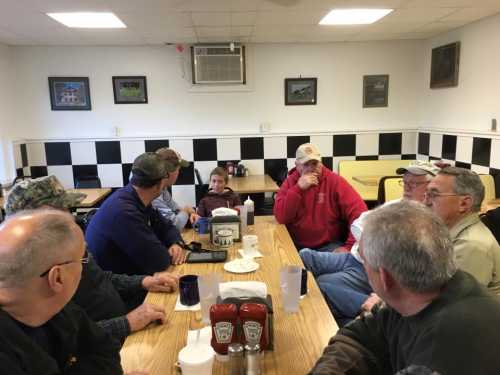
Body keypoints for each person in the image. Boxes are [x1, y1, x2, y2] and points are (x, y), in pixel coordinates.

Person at [310, 200, 500, 374]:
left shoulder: (445, 349)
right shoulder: (414, 296)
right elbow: (358, 338)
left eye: (364, 260)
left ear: (385, 278)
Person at [5, 175, 179, 344]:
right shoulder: (31, 276)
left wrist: (144, 282)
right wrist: (126, 323)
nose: (71, 218)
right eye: (63, 211)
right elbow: (65, 342)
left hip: (119, 325)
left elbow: (102, 278)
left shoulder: (67, 250)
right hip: (110, 340)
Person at [300, 160, 441, 326]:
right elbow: (359, 223)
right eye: (405, 181)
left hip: (371, 269)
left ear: (432, 188)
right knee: (304, 256)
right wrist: (363, 243)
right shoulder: (396, 204)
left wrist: (369, 246)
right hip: (354, 256)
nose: (407, 187)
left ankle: (367, 316)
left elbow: (398, 260)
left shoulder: (427, 220)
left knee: (320, 285)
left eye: (414, 183)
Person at [0, 209, 123, 374]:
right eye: (82, 259)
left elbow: (105, 349)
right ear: (58, 278)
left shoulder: (53, 306)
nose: (84, 267)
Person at [86, 152, 187, 275]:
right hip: (117, 289)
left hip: (127, 278)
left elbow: (166, 226)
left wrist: (175, 243)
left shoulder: (135, 198)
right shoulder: (125, 212)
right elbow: (158, 262)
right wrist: (170, 250)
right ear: (160, 183)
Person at [274, 143, 367, 252]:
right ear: (297, 165)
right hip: (296, 245)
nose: (311, 169)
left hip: (329, 246)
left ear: (320, 162)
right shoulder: (290, 182)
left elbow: (360, 214)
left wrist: (349, 246)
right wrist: (298, 188)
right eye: (306, 164)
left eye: (314, 163)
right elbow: (281, 217)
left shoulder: (334, 181)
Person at [425, 166, 500, 294]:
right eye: (426, 194)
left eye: (434, 195)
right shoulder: (450, 232)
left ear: (464, 204)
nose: (425, 201)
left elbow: (451, 304)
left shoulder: (472, 245)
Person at [152, 147, 198, 231]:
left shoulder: (162, 187)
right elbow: (175, 225)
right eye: (178, 169)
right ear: (169, 171)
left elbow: (173, 207)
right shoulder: (153, 192)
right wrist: (186, 211)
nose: (178, 173)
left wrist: (189, 211)